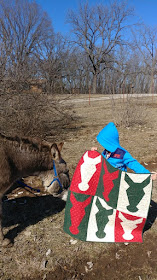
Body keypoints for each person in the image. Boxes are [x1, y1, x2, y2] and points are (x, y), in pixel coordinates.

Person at [92, 122, 157, 180]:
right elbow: (101, 163)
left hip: (119, 182)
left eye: (104, 143)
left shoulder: (123, 154)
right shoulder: (106, 152)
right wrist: (94, 154)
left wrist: (148, 175)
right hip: (105, 181)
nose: (103, 145)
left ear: (109, 142)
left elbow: (134, 165)